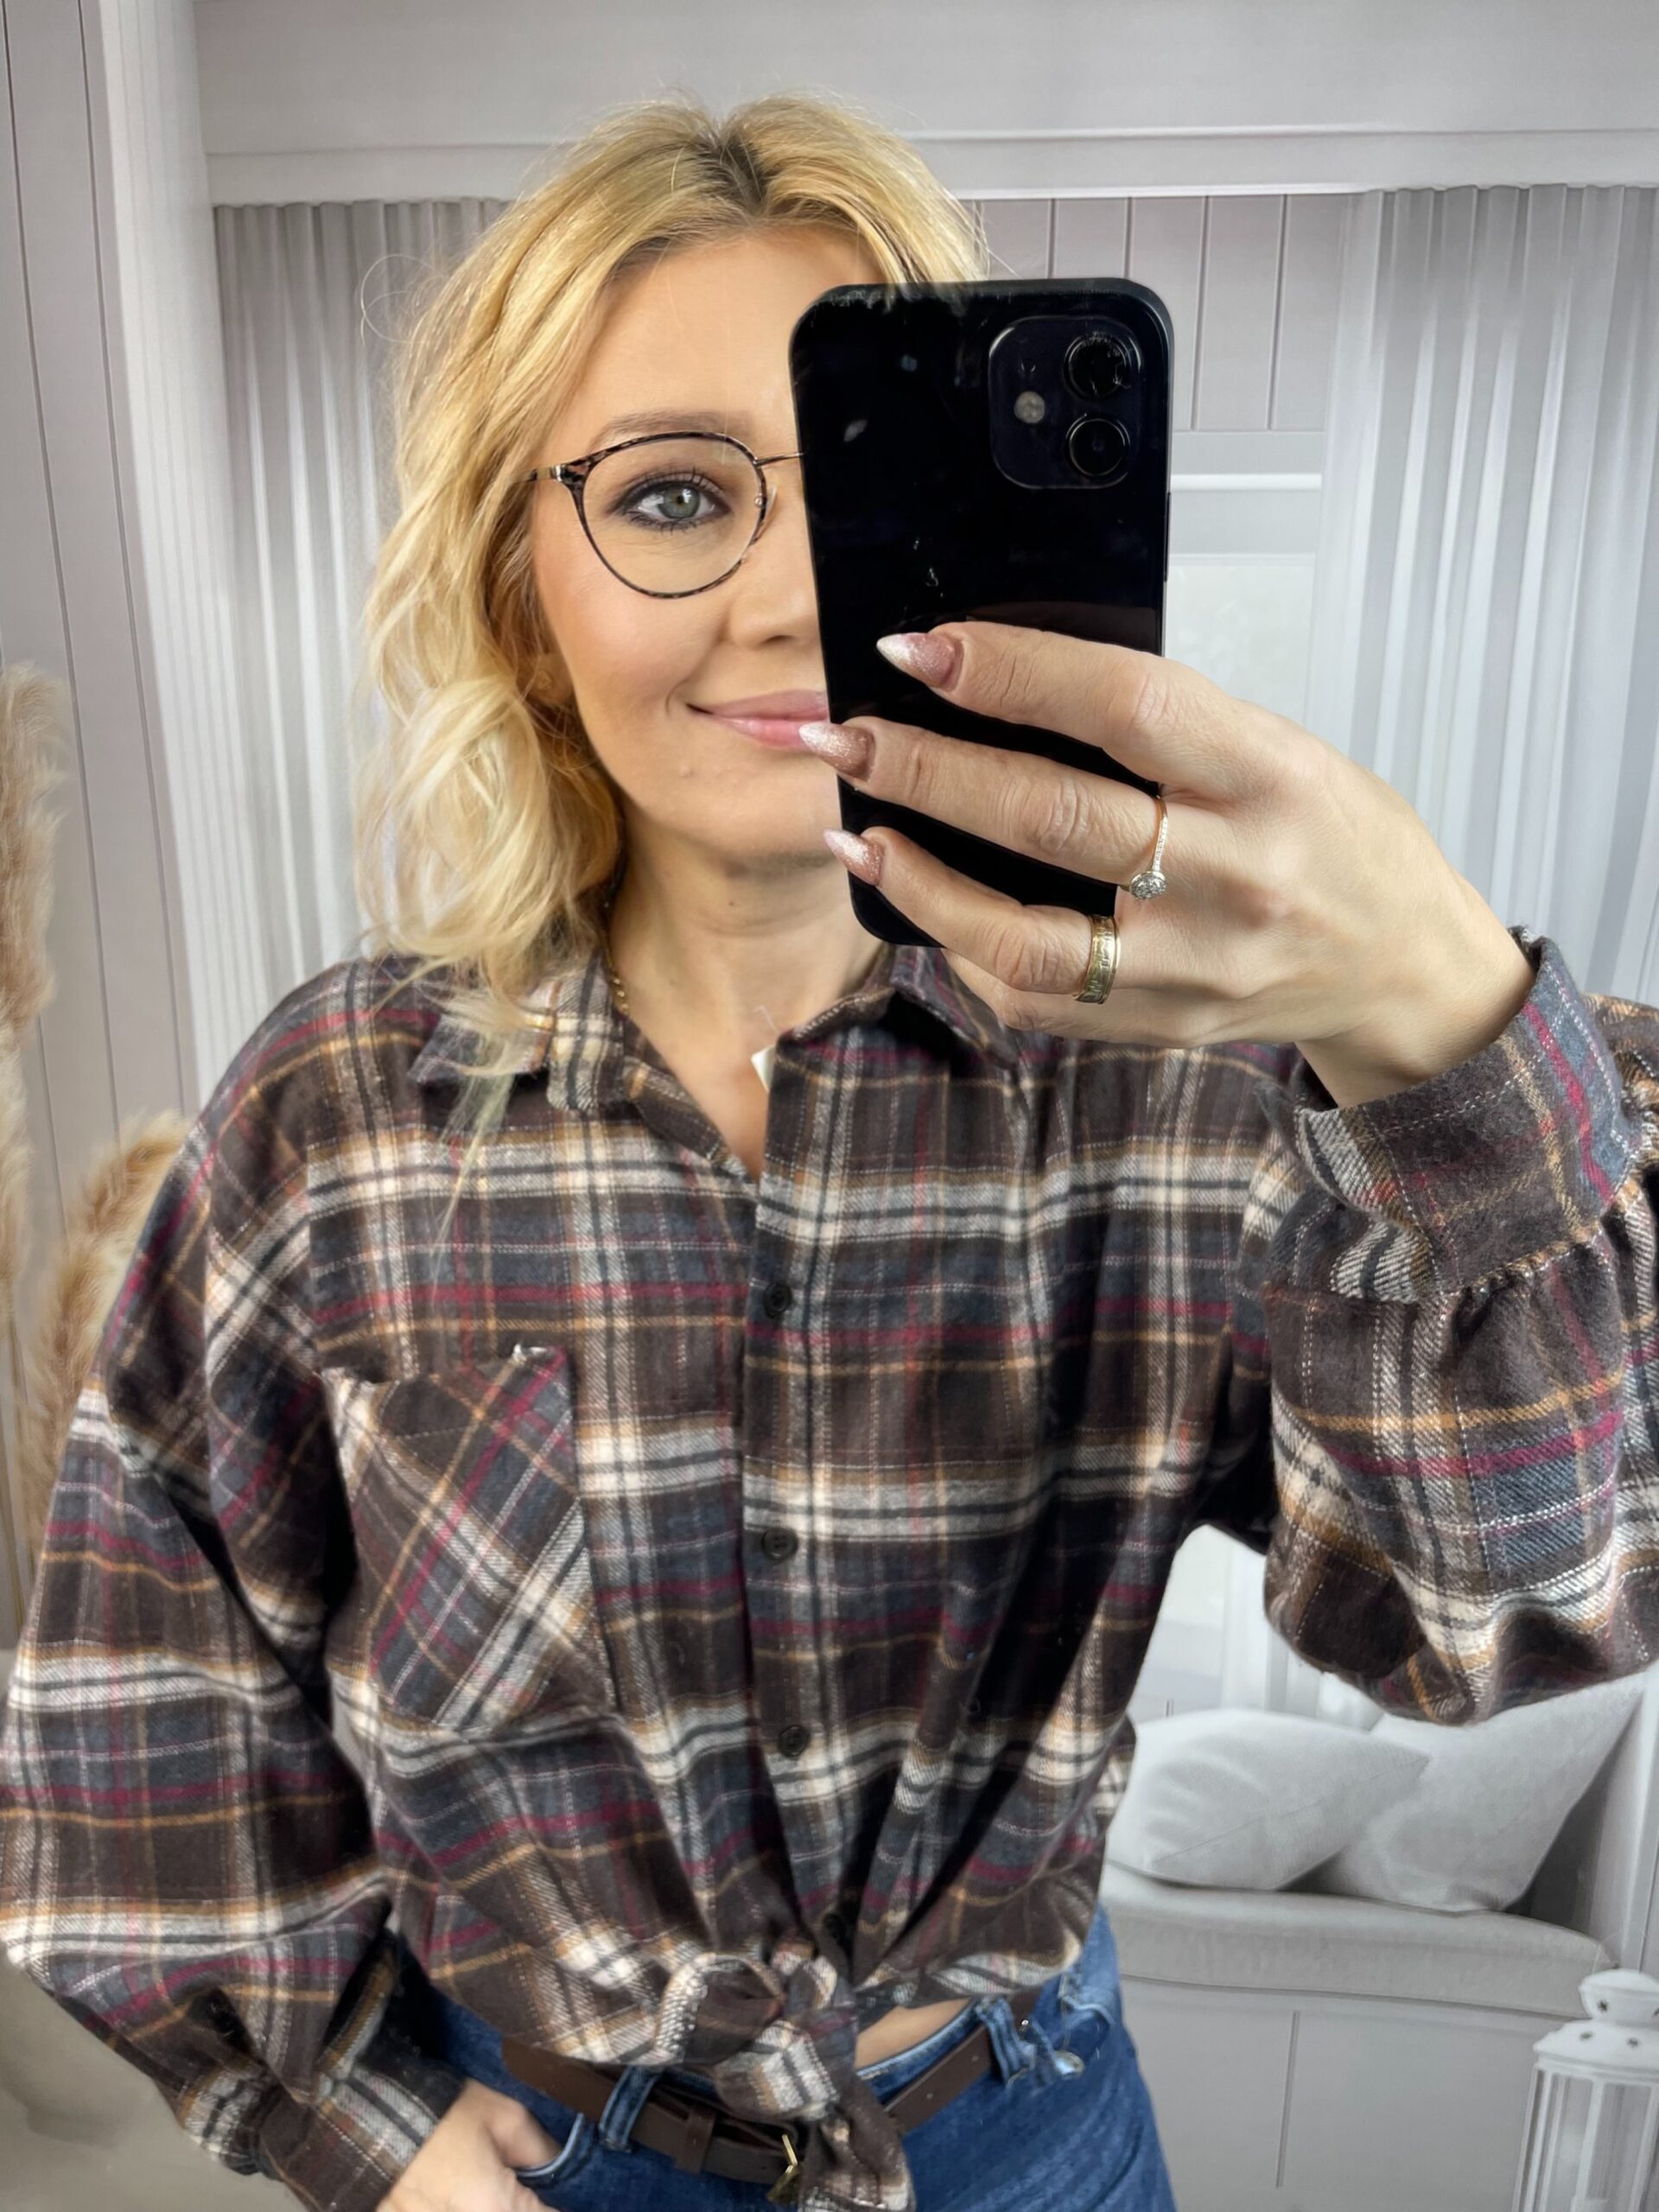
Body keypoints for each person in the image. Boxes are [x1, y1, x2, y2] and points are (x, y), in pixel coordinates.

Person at [3, 86, 1658, 2212]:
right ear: (524, 594)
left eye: (865, 492)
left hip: (1028, 2138)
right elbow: (137, 1702)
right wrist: (366, 2126)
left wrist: (1435, 1011)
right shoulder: (335, 1115)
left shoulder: (1186, 1088)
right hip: (543, 2163)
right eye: (675, 493)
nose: (791, 596)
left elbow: (1511, 1605)